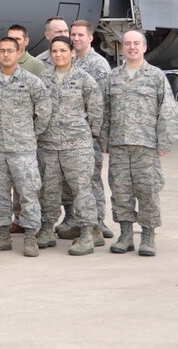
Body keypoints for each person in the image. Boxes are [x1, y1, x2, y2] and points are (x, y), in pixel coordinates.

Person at [102, 30, 178, 257]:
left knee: (148, 191)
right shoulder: (113, 77)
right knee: (121, 191)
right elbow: (105, 110)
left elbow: (166, 110)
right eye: (127, 44)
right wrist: (104, 139)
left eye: (136, 43)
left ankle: (147, 236)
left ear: (144, 47)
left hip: (146, 146)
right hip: (118, 145)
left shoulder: (155, 76)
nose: (132, 47)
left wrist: (164, 142)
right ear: (122, 48)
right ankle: (125, 235)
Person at [0, 37, 50, 257]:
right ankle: (2, 236)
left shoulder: (32, 82)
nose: (6, 55)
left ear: (19, 53)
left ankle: (30, 237)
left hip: (23, 149)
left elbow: (43, 113)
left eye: (11, 50)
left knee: (28, 192)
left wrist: (30, 135)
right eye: (2, 51)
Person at [37, 36, 103, 255]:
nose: (58, 55)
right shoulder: (42, 79)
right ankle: (47, 229)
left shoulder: (84, 79)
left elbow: (95, 112)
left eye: (63, 50)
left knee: (82, 190)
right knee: (49, 189)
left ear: (72, 53)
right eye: (54, 51)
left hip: (77, 146)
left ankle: (87, 233)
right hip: (48, 144)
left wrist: (87, 136)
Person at [66, 19, 114, 240]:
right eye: (73, 35)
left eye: (80, 35)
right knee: (77, 180)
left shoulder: (98, 65)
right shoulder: (72, 61)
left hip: (90, 133)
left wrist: (98, 135)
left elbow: (100, 103)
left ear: (90, 37)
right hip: (72, 134)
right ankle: (81, 220)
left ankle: (98, 222)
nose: (76, 38)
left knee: (91, 178)